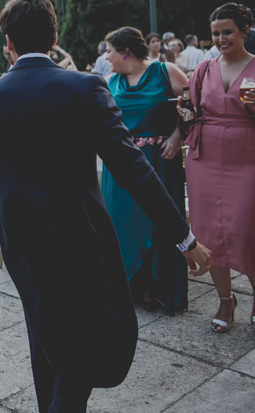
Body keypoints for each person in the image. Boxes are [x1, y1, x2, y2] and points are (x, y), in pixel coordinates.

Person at [0, 0, 211, 413]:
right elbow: (133, 167)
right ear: (54, 36)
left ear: (7, 42)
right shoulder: (84, 85)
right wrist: (184, 237)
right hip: (76, 227)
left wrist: (15, 202)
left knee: (44, 327)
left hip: (20, 234)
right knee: (84, 334)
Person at [180, 2, 255, 333]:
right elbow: (192, 113)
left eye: (228, 31)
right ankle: (226, 300)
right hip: (206, 158)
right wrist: (183, 115)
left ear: (245, 30)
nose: (221, 39)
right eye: (215, 33)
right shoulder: (203, 70)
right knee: (208, 233)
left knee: (245, 230)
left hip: (250, 156)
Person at [101, 28, 190, 314]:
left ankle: (156, 287)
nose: (106, 56)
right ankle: (129, 286)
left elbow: (192, 106)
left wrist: (177, 134)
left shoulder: (166, 72)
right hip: (120, 165)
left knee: (158, 221)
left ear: (125, 51)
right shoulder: (109, 81)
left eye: (109, 50)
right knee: (122, 224)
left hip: (160, 159)